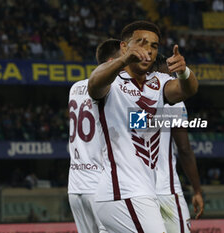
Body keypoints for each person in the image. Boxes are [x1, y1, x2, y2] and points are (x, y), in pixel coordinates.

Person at [88, 21, 198, 232]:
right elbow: (94, 84)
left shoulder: (159, 81)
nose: (148, 49)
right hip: (123, 192)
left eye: (154, 46)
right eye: (141, 42)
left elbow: (188, 90)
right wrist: (124, 60)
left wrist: (184, 72)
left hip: (143, 191)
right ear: (123, 46)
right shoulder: (112, 81)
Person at [68, 39, 121, 233]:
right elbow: (138, 124)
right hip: (101, 185)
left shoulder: (75, 88)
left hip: (75, 186)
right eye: (123, 61)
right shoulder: (113, 88)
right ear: (111, 62)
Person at [153, 54, 204, 232]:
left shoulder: (128, 94)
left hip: (130, 191)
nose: (173, 80)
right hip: (164, 190)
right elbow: (183, 148)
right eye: (170, 74)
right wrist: (197, 190)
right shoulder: (172, 100)